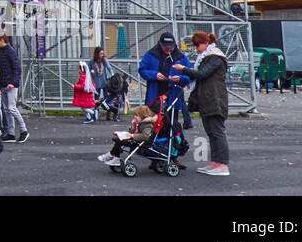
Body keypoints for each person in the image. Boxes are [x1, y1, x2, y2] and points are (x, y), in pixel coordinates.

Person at [173, 31, 230, 176]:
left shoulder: (215, 57)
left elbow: (202, 74)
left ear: (206, 43)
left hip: (215, 99)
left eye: (197, 45)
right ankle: (215, 162)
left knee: (217, 132)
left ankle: (222, 164)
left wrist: (184, 70)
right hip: (207, 99)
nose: (196, 48)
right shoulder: (206, 57)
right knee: (211, 132)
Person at [138, 32, 192, 127]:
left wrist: (180, 78)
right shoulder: (151, 54)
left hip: (173, 95)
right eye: (166, 47)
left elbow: (190, 74)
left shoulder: (181, 57)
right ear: (160, 44)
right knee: (152, 124)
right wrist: (154, 75)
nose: (169, 49)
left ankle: (171, 141)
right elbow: (142, 70)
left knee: (171, 124)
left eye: (171, 47)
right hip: (155, 95)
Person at [96, 101, 160, 165]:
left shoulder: (148, 125)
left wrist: (132, 136)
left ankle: (111, 155)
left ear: (143, 116)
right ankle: (115, 157)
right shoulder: (140, 123)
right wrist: (133, 126)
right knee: (118, 139)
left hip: (141, 143)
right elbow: (133, 132)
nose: (135, 117)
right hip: (136, 140)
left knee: (119, 141)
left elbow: (145, 136)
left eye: (137, 115)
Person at [0, 33, 28, 142]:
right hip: (3, 83)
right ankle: (10, 132)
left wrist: (13, 82)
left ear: (2, 40)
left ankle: (23, 130)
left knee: (11, 108)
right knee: (6, 109)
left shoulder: (10, 51)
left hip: (10, 84)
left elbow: (17, 68)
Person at [73, 59, 98, 123]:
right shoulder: (87, 77)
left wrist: (75, 86)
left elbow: (82, 86)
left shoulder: (83, 77)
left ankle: (93, 112)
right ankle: (89, 118)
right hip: (86, 95)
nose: (78, 70)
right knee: (83, 107)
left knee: (84, 107)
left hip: (84, 96)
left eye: (79, 69)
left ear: (82, 70)